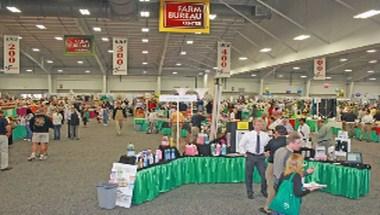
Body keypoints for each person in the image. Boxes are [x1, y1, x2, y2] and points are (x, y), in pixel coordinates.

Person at [239, 119, 271, 199]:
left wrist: (267, 152)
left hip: (261, 157)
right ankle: (249, 192)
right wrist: (244, 153)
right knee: (249, 175)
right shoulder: (248, 135)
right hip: (250, 156)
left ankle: (263, 190)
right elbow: (241, 145)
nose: (258, 126)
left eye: (260, 125)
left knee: (265, 175)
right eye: (257, 125)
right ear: (253, 125)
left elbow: (269, 145)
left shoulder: (265, 135)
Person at [260, 125, 288, 214]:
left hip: (273, 166)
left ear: (276, 132)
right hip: (286, 166)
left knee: (271, 187)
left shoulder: (273, 141)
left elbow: (266, 149)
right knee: (283, 187)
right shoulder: (289, 142)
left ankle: (268, 207)